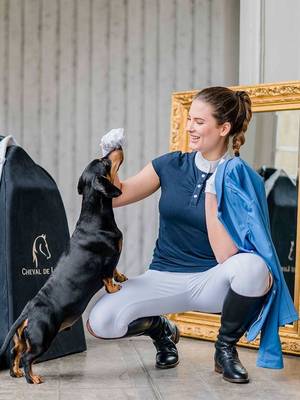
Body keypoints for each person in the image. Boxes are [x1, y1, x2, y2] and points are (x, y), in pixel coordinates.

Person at [86, 86, 274, 384]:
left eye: (199, 121)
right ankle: (160, 329)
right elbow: (116, 197)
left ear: (224, 128)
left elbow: (226, 256)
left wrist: (214, 191)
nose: (190, 127)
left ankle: (224, 349)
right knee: (101, 322)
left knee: (254, 268)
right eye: (189, 119)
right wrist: (110, 159)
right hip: (162, 276)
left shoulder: (240, 177)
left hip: (211, 281)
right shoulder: (170, 165)